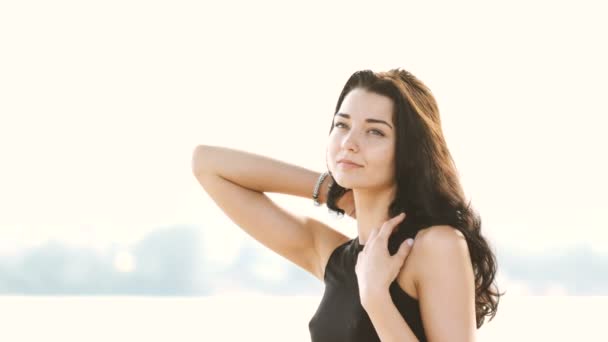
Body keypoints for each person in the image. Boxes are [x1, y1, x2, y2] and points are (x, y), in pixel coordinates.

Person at [191, 68, 503, 341]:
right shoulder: (332, 256)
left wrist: (376, 298)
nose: (349, 143)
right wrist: (333, 191)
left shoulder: (436, 245)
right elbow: (207, 164)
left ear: (409, 153)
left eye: (375, 131)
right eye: (342, 125)